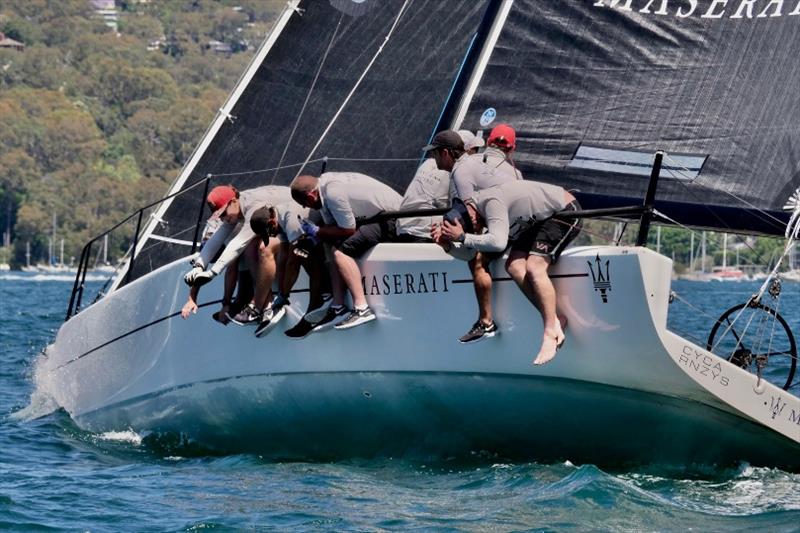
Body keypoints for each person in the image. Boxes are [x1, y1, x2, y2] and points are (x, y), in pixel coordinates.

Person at [433, 180, 582, 365]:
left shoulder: (491, 203)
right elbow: (471, 255)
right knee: (514, 266)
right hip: (540, 221)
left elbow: (498, 243)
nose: (477, 231)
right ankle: (554, 319)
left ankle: (550, 332)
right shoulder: (481, 212)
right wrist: (448, 246)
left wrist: (463, 237)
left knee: (535, 267)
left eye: (475, 229)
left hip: (564, 210)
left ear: (472, 217)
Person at [425, 125, 521, 344]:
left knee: (476, 260)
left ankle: (485, 322)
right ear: (512, 149)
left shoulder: (462, 169)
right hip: (521, 224)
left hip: (507, 228)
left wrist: (458, 240)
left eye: (434, 153)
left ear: (446, 153)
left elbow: (474, 216)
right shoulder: (513, 170)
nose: (432, 157)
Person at [289, 172, 402, 330]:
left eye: (304, 203)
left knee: (341, 253)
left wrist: (317, 231)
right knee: (330, 243)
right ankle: (338, 307)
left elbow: (348, 230)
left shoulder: (332, 193)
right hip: (375, 218)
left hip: (394, 219)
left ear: (310, 196)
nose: (305, 207)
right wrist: (315, 237)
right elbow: (332, 230)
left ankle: (362, 309)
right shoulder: (322, 190)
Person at [183, 184, 292, 333]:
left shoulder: (252, 206)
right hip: (284, 227)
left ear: (234, 201)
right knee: (250, 250)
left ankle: (266, 307)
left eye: (223, 214)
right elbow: (215, 241)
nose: (223, 219)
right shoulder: (234, 212)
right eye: (219, 216)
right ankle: (264, 304)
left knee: (259, 247)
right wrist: (198, 266)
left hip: (299, 222)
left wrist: (212, 273)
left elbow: (238, 243)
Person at [249, 202, 333, 338]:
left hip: (334, 228)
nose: (271, 235)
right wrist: (281, 293)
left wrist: (284, 294)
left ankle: (316, 304)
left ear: (271, 221)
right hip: (317, 232)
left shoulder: (290, 221)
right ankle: (318, 301)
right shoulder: (278, 221)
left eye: (270, 232)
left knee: (304, 256)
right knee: (301, 252)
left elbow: (293, 264)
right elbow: (283, 257)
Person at [394, 130, 484, 242]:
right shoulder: (456, 171)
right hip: (425, 234)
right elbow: (459, 209)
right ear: (465, 150)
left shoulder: (427, 163)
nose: (475, 154)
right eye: (475, 150)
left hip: (401, 228)